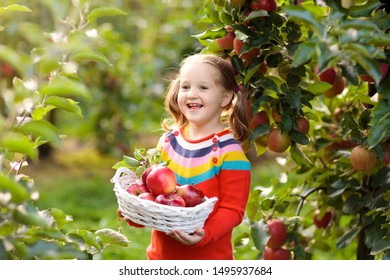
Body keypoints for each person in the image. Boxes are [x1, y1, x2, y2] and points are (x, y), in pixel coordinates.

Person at [124, 53, 251, 260]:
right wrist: (138, 213)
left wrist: (205, 234)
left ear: (225, 98)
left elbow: (233, 210)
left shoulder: (230, 153)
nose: (192, 94)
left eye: (203, 87)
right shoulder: (168, 142)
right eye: (185, 87)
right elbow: (155, 198)